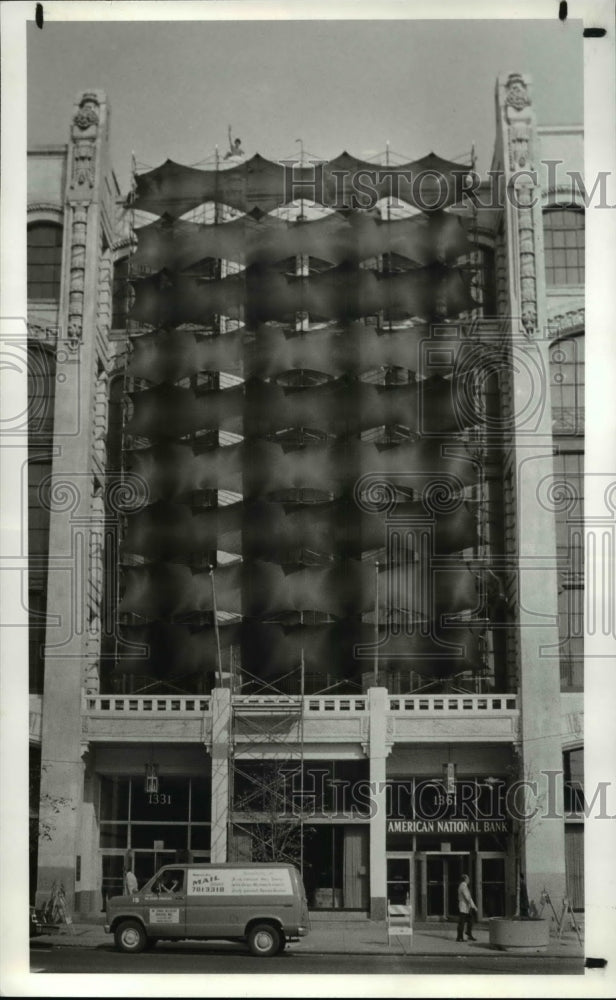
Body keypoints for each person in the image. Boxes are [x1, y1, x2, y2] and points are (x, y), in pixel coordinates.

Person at [456, 873, 478, 942]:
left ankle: (469, 934)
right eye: (468, 878)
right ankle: (460, 937)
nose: (469, 880)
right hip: (464, 907)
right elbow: (467, 897)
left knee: (470, 920)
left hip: (466, 907)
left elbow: (468, 897)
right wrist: (473, 906)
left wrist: (473, 905)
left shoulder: (463, 885)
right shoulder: (463, 886)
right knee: (462, 922)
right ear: (465, 879)